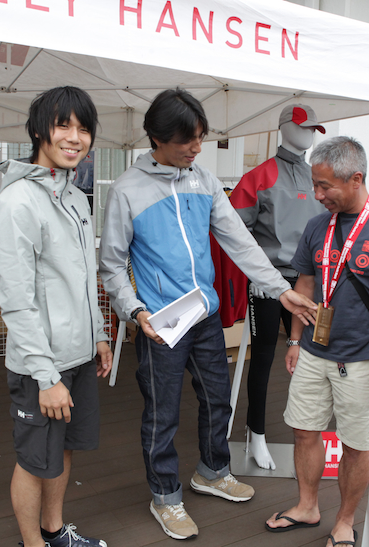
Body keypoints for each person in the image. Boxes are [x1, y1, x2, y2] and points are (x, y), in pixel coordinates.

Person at [99, 88, 317, 541]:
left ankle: (213, 471)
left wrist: (281, 290)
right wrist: (134, 310)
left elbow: (240, 240)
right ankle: (165, 496)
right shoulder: (127, 190)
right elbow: (112, 264)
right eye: (187, 139)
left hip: (204, 315)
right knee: (162, 413)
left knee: (219, 398)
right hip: (160, 323)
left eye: (200, 137)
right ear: (157, 138)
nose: (197, 148)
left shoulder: (203, 180)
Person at [264, 136, 369, 547]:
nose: (317, 195)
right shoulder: (318, 226)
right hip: (313, 351)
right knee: (304, 430)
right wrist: (294, 340)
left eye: (325, 186)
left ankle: (345, 521)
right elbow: (305, 282)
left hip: (364, 358)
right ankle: (307, 506)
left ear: (356, 179)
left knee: (355, 446)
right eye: (314, 185)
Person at [0, 87, 113, 547]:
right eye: (63, 125)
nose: (75, 137)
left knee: (63, 450)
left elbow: (82, 276)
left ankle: (54, 532)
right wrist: (46, 376)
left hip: (78, 356)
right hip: (41, 366)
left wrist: (99, 334)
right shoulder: (17, 203)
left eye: (84, 128)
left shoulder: (76, 197)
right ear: (40, 130)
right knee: (34, 459)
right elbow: (16, 302)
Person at [228, 103, 326, 470]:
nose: (309, 134)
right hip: (270, 283)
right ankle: (256, 435)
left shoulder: (318, 176)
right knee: (263, 359)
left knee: (316, 356)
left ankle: (310, 435)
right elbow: (233, 230)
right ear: (285, 127)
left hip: (312, 283)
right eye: (303, 127)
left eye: (313, 129)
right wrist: (256, 275)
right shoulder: (259, 177)